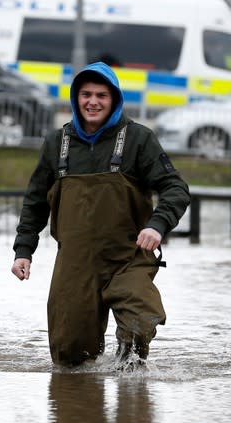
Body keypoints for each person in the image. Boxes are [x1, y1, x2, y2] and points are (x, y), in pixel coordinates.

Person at [10, 61, 190, 368]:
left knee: (139, 322)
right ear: (75, 98)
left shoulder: (138, 139)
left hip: (129, 257)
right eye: (86, 94)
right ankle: (83, 407)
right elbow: (36, 201)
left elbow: (176, 189)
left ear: (114, 99)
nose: (93, 102)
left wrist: (157, 226)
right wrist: (23, 251)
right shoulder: (57, 142)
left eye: (102, 95)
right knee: (71, 359)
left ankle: (130, 394)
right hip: (75, 263)